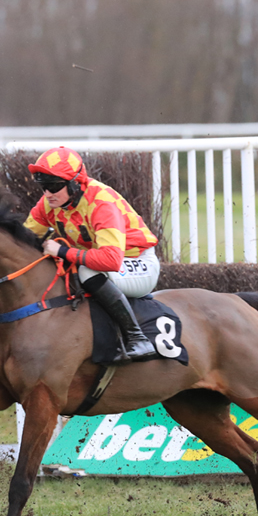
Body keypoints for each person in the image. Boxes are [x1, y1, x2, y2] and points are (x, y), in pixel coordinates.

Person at [25, 146, 159, 362]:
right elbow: (23, 240)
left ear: (74, 183)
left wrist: (62, 251)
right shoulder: (49, 204)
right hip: (100, 262)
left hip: (137, 262)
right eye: (43, 187)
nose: (47, 194)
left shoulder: (101, 203)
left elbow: (110, 260)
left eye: (53, 186)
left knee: (87, 271)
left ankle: (138, 338)